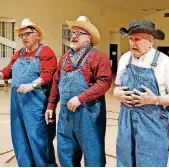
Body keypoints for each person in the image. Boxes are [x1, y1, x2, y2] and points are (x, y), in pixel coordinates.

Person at [45, 16, 112, 167]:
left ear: (88, 38)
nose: (73, 36)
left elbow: (104, 82)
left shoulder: (98, 56)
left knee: (93, 153)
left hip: (89, 113)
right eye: (72, 33)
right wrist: (51, 105)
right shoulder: (64, 58)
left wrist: (81, 98)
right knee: (65, 151)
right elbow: (56, 82)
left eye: (78, 33)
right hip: (66, 115)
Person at [114, 20, 169, 167]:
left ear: (151, 41)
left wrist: (155, 99)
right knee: (125, 161)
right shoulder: (125, 59)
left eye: (137, 39)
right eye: (131, 39)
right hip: (125, 122)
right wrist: (117, 94)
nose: (132, 43)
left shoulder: (164, 62)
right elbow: (116, 87)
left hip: (152, 124)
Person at [0, 18, 57, 166]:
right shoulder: (19, 54)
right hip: (17, 102)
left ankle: (44, 164)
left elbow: (49, 73)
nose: (24, 38)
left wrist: (33, 84)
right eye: (21, 35)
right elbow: (9, 70)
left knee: (38, 135)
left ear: (37, 35)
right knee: (19, 134)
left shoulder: (46, 52)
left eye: (27, 34)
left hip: (35, 101)